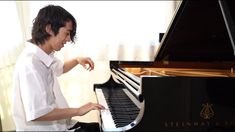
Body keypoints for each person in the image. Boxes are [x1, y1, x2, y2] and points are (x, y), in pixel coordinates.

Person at [12, 5, 105, 131]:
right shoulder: (30, 64)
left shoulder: (44, 54)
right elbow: (38, 113)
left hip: (61, 125)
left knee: (98, 127)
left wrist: (77, 60)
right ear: (49, 29)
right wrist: (78, 110)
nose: (68, 39)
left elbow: (61, 68)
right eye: (67, 33)